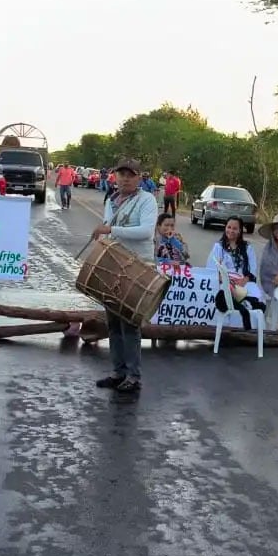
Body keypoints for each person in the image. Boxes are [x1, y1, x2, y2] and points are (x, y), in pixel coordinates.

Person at [93, 159, 158, 393]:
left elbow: (146, 232)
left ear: (139, 178)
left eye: (130, 175)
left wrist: (111, 230)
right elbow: (106, 228)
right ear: (115, 177)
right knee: (113, 323)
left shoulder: (147, 200)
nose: (125, 179)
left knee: (130, 325)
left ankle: (133, 375)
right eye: (121, 174)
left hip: (137, 267)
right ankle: (118, 371)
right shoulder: (111, 200)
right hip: (115, 265)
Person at [206, 216, 267, 330]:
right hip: (224, 282)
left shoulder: (247, 248)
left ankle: (249, 329)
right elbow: (212, 268)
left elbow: (252, 269)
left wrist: (243, 281)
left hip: (243, 281)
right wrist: (225, 280)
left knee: (255, 295)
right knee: (225, 297)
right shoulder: (219, 247)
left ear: (240, 230)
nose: (231, 231)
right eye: (229, 227)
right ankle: (227, 329)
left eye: (235, 228)